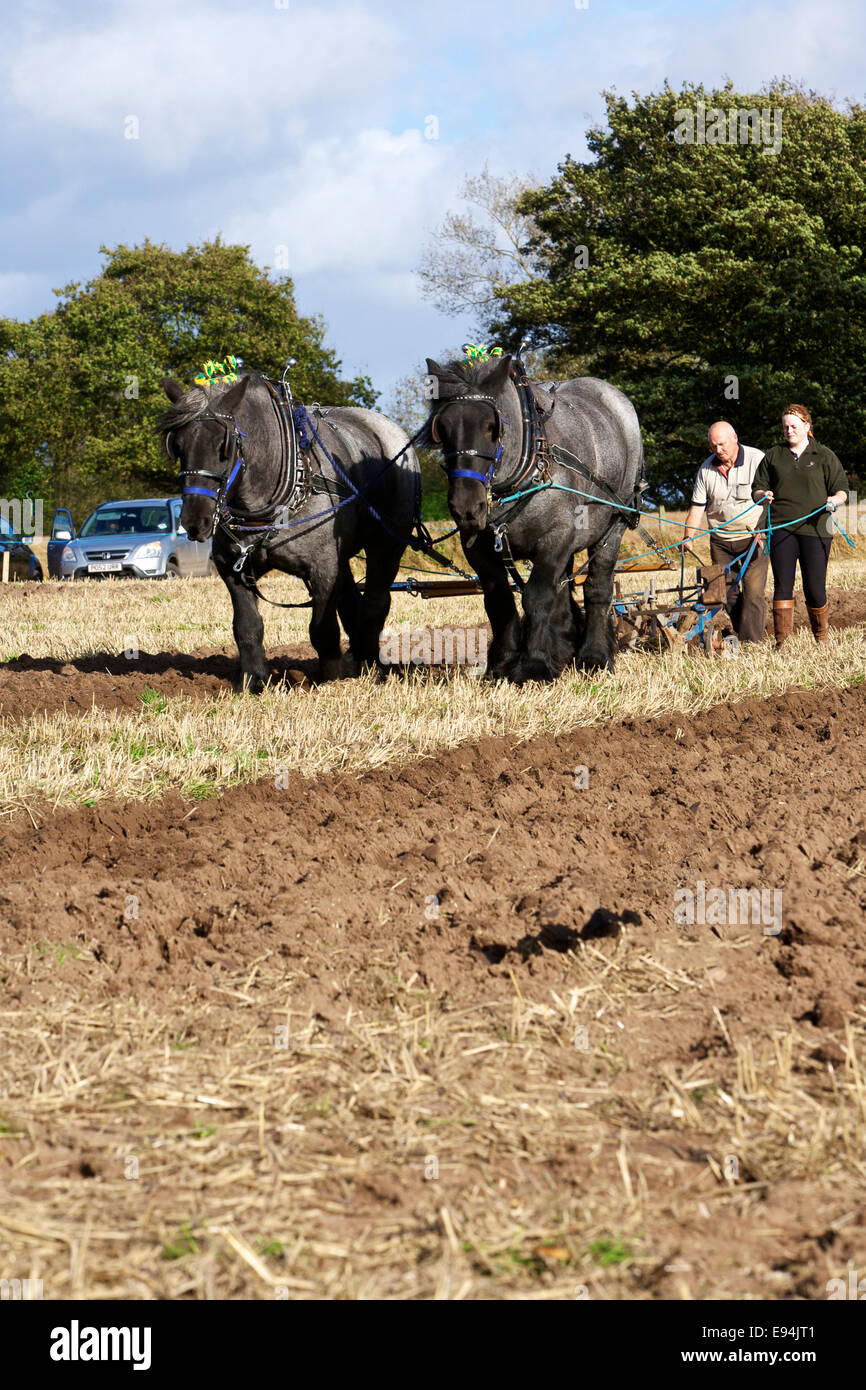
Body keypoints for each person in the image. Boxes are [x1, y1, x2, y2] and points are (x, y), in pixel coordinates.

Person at [752, 405, 847, 646]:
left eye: (794, 426)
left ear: (807, 426)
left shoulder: (824, 455)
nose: (789, 430)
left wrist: (833, 501)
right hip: (782, 527)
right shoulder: (773, 455)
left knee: (814, 587)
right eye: (785, 426)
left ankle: (821, 638)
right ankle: (782, 642)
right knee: (783, 584)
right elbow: (756, 490)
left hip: (816, 529)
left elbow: (842, 491)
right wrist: (763, 495)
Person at [679, 421, 769, 643]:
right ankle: (745, 631)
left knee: (753, 592)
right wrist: (688, 537)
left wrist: (763, 529)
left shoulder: (757, 459)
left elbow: (772, 497)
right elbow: (697, 507)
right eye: (713, 446)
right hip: (721, 541)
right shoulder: (706, 470)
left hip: (754, 537)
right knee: (727, 594)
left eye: (721, 444)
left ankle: (752, 644)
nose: (718, 450)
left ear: (735, 438)